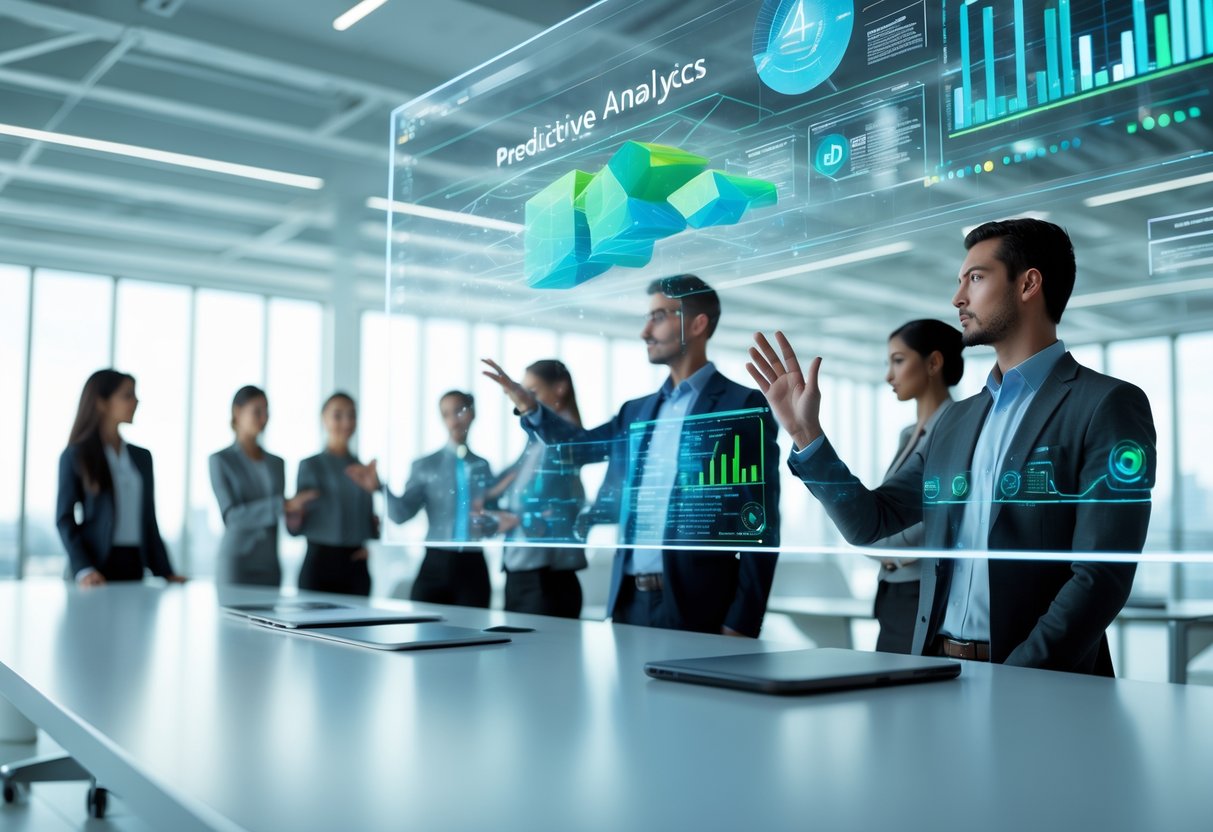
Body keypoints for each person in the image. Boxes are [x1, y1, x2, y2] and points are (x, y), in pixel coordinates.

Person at [748, 218, 1155, 675]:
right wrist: (806, 434)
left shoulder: (1106, 404)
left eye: (975, 278)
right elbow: (872, 522)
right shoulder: (955, 421)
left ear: (1028, 284)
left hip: (1039, 685)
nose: (957, 298)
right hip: (937, 673)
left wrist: (1018, 677)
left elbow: (1101, 576)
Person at [484, 274, 780, 637]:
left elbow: (760, 524)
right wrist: (531, 407)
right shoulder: (635, 412)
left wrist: (741, 622)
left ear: (697, 324)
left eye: (658, 317)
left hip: (698, 605)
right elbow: (578, 449)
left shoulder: (740, 405)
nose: (644, 332)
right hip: (629, 603)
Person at [869, 319, 964, 653]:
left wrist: (872, 536)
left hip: (923, 592)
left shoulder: (959, 429)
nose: (889, 376)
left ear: (933, 363)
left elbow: (936, 516)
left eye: (898, 361)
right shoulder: (909, 434)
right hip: (892, 592)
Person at [348, 391, 494, 608]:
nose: (454, 420)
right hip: (435, 563)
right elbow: (401, 515)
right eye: (446, 414)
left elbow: (493, 521)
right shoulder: (425, 465)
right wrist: (380, 488)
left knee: (475, 627)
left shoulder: (483, 467)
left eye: (459, 411)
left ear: (472, 414)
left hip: (473, 565)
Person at [56, 370, 186, 586]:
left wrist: (166, 571)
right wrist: (84, 568)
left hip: (134, 564)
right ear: (102, 403)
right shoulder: (76, 455)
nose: (136, 401)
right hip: (94, 569)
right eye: (127, 395)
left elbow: (149, 519)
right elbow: (64, 518)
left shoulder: (142, 457)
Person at [488, 360, 587, 619]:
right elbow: (498, 490)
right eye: (523, 392)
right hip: (520, 572)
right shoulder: (534, 443)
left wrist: (516, 518)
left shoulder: (564, 440)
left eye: (532, 391)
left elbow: (563, 507)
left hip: (546, 579)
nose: (524, 399)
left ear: (560, 388)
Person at [209, 385, 316, 587]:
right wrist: (283, 505)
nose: (264, 418)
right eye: (257, 411)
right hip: (236, 561)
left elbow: (281, 516)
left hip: (270, 562)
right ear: (237, 412)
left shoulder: (277, 463)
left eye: (267, 411)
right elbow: (232, 517)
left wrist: (295, 514)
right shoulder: (220, 460)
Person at [290, 392, 378, 596]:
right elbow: (295, 524)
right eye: (338, 415)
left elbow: (370, 521)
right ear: (324, 419)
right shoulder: (310, 465)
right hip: (320, 562)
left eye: (351, 415)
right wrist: (293, 511)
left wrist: (371, 534)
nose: (346, 422)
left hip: (356, 563)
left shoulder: (364, 470)